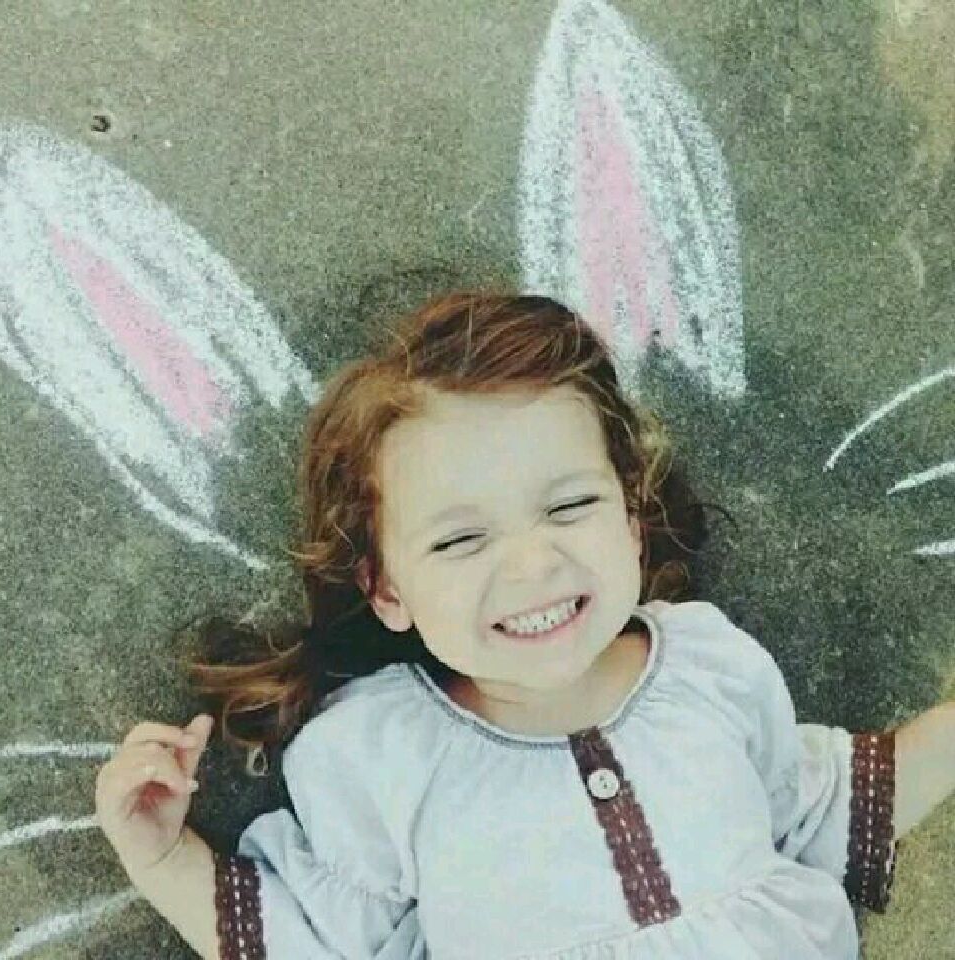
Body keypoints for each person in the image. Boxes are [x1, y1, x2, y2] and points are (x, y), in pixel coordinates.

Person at [95, 290, 900, 959]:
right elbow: (323, 943)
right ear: (385, 589)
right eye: (459, 540)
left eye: (570, 505)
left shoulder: (709, 662)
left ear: (630, 518)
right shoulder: (381, 756)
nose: (531, 565)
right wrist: (164, 861)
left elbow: (812, 809)